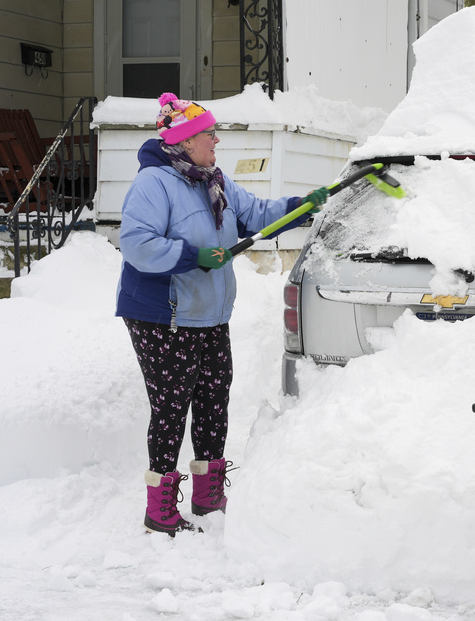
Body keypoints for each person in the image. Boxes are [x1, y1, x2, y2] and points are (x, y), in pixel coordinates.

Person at [116, 92, 328, 536]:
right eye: (209, 133)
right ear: (185, 139)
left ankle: (208, 496)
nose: (216, 140)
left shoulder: (213, 181)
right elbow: (138, 245)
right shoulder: (153, 183)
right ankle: (160, 511)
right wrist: (195, 256)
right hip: (164, 316)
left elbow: (256, 215)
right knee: (172, 409)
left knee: (213, 402)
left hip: (209, 315)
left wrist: (306, 205)